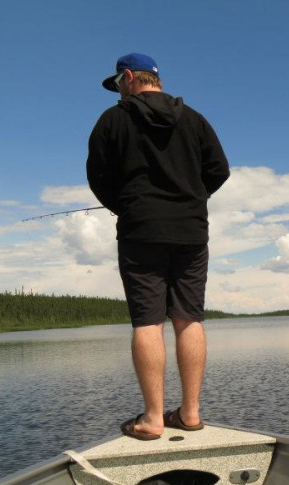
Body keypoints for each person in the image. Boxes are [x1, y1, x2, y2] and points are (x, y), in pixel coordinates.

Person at [87, 53, 229, 440]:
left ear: (130, 77)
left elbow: (98, 177)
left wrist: (129, 205)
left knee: (148, 322)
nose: (118, 91)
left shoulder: (112, 120)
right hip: (191, 232)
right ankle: (191, 414)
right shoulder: (194, 119)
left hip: (140, 231)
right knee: (189, 319)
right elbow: (219, 170)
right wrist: (190, 199)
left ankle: (152, 419)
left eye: (118, 83)